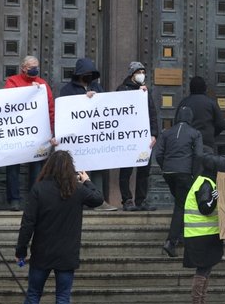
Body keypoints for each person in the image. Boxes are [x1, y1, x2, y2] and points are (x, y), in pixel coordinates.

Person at [13, 150, 103, 304]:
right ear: (70, 168)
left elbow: (28, 223)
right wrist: (87, 180)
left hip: (42, 251)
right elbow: (98, 199)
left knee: (33, 295)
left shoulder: (39, 189)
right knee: (62, 297)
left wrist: (21, 249)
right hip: (67, 253)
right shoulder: (77, 190)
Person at [59, 58, 115, 211]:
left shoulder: (97, 87)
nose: (88, 76)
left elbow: (106, 105)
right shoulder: (67, 90)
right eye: (86, 73)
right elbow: (64, 110)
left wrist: (96, 98)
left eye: (91, 73)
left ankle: (99, 201)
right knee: (75, 168)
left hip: (95, 135)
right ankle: (76, 199)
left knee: (98, 166)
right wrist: (83, 100)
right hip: (75, 137)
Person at [4, 55, 55, 211]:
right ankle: (14, 200)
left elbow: (50, 108)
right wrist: (30, 91)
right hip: (17, 132)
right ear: (23, 68)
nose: (34, 69)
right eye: (31, 66)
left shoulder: (43, 84)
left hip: (38, 134)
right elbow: (8, 101)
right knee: (13, 167)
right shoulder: (12, 81)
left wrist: (52, 131)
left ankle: (34, 200)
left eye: (36, 66)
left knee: (37, 168)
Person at [182, 153, 225, 304]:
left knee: (206, 270)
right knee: (202, 271)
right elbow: (205, 208)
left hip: (206, 234)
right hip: (200, 235)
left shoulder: (207, 182)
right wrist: (215, 198)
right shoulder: (205, 184)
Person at [154, 106, 203, 257]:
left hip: (169, 173)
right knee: (181, 205)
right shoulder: (195, 133)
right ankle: (171, 241)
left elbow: (159, 154)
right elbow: (199, 155)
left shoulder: (166, 132)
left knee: (181, 202)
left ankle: (181, 234)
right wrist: (194, 174)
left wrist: (165, 167)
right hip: (184, 173)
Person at [116, 62, 159, 211]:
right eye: (139, 71)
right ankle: (127, 200)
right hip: (127, 137)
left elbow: (152, 113)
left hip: (143, 137)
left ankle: (141, 200)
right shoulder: (122, 89)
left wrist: (154, 134)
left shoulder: (145, 91)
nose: (142, 74)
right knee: (126, 170)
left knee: (143, 171)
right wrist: (135, 94)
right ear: (132, 74)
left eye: (143, 71)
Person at [176, 76, 225, 152]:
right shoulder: (211, 103)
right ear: (204, 88)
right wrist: (211, 134)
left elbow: (177, 123)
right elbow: (221, 124)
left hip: (187, 142)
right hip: (206, 142)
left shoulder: (184, 103)